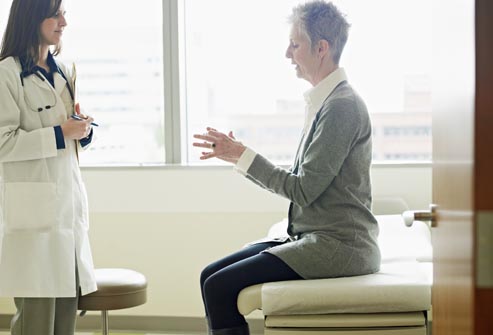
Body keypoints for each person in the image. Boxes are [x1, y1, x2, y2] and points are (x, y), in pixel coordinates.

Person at [193, 1, 381, 334]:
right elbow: (306, 183)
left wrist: (242, 155)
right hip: (314, 236)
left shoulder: (342, 107)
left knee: (219, 287)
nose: (287, 53)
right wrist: (239, 156)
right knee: (210, 275)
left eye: (295, 44)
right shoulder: (326, 102)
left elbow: (303, 189)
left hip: (341, 247)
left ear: (321, 48)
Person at [0, 0, 98, 334]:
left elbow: (68, 132)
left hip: (67, 211)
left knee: (64, 322)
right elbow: (3, 143)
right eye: (55, 14)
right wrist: (60, 133)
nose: (63, 22)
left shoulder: (64, 71)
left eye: (64, 13)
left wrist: (82, 131)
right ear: (32, 16)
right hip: (32, 215)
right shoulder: (6, 73)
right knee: (36, 322)